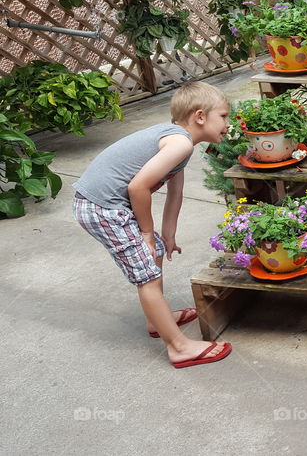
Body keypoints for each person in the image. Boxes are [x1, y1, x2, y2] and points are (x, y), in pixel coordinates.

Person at [73, 81, 233, 369]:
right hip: (101, 207)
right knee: (145, 271)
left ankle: (156, 320)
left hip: (107, 204)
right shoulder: (180, 142)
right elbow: (138, 188)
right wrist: (146, 232)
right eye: (223, 116)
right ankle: (179, 347)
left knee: (155, 249)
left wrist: (167, 234)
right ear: (200, 116)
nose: (227, 123)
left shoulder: (182, 144)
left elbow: (175, 192)